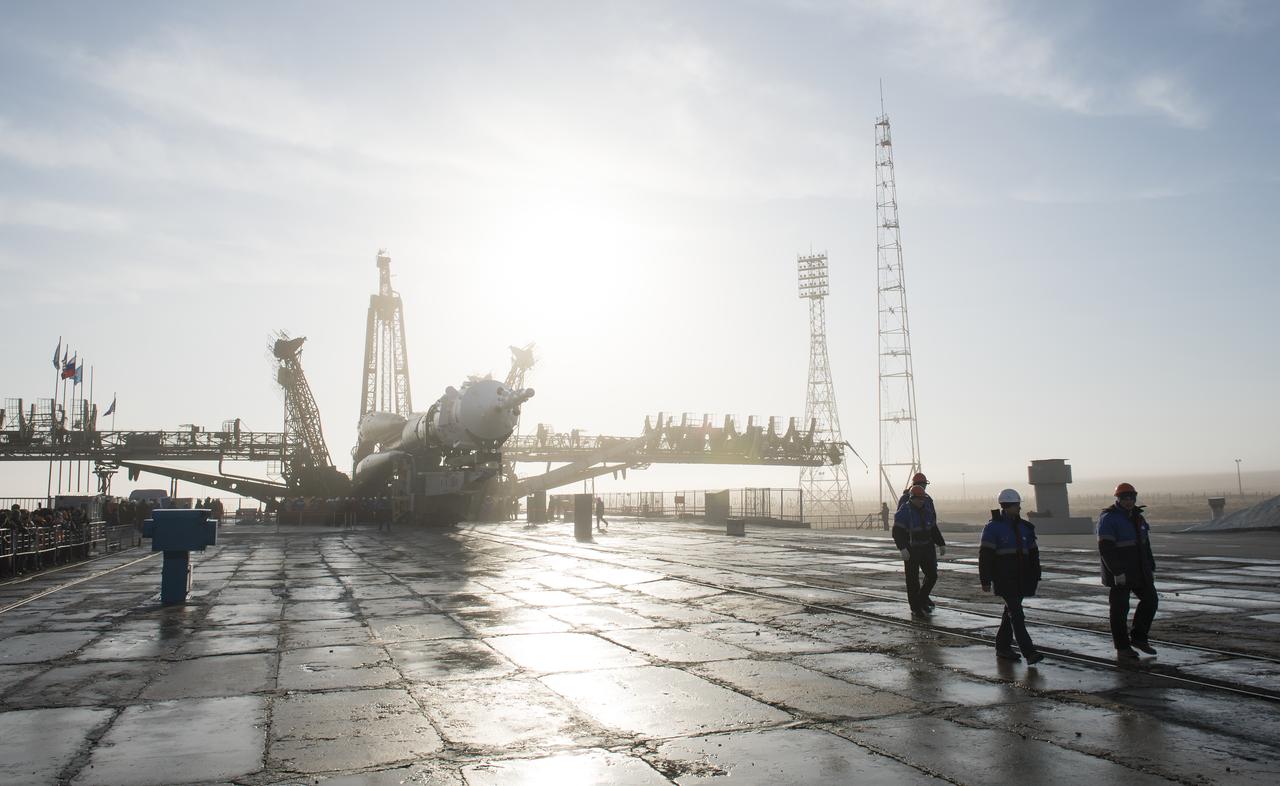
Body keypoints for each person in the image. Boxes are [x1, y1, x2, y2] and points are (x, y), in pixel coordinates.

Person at [978, 489, 1044, 664]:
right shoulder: (992, 528)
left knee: (1010, 613)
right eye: (1016, 505)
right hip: (1004, 578)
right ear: (1007, 506)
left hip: (1022, 577)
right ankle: (1029, 652)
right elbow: (985, 556)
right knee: (1016, 613)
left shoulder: (1025, 528)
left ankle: (1002, 647)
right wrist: (985, 579)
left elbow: (1033, 554)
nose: (1019, 508)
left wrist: (1036, 575)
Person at [1097, 482, 1158, 659]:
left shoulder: (1138, 517)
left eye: (1131, 498)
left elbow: (1145, 545)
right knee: (1119, 610)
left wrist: (1151, 566)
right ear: (1118, 499)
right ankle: (1122, 648)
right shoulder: (1109, 519)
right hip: (1120, 573)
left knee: (1151, 601)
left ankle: (1139, 638)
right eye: (1125, 498)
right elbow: (1106, 549)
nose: (1129, 501)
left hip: (1140, 570)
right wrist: (1117, 572)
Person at [893, 484, 946, 617]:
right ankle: (916, 607)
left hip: (926, 547)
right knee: (912, 580)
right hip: (912, 549)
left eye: (923, 499)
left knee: (932, 576)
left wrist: (941, 543)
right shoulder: (904, 512)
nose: (922, 501)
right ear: (912, 498)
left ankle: (921, 600)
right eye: (919, 499)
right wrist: (902, 548)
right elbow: (897, 532)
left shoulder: (927, 510)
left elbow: (933, 529)